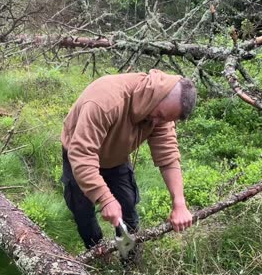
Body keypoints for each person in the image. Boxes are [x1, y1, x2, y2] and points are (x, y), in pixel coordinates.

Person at [60, 69, 197, 251]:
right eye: (160, 116)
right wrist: (105, 199)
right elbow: (82, 154)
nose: (157, 123)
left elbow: (168, 156)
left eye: (164, 120)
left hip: (116, 157)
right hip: (79, 156)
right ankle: (96, 251)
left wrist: (179, 203)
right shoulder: (105, 101)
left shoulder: (161, 112)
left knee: (127, 208)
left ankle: (129, 256)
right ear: (156, 97)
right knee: (83, 210)